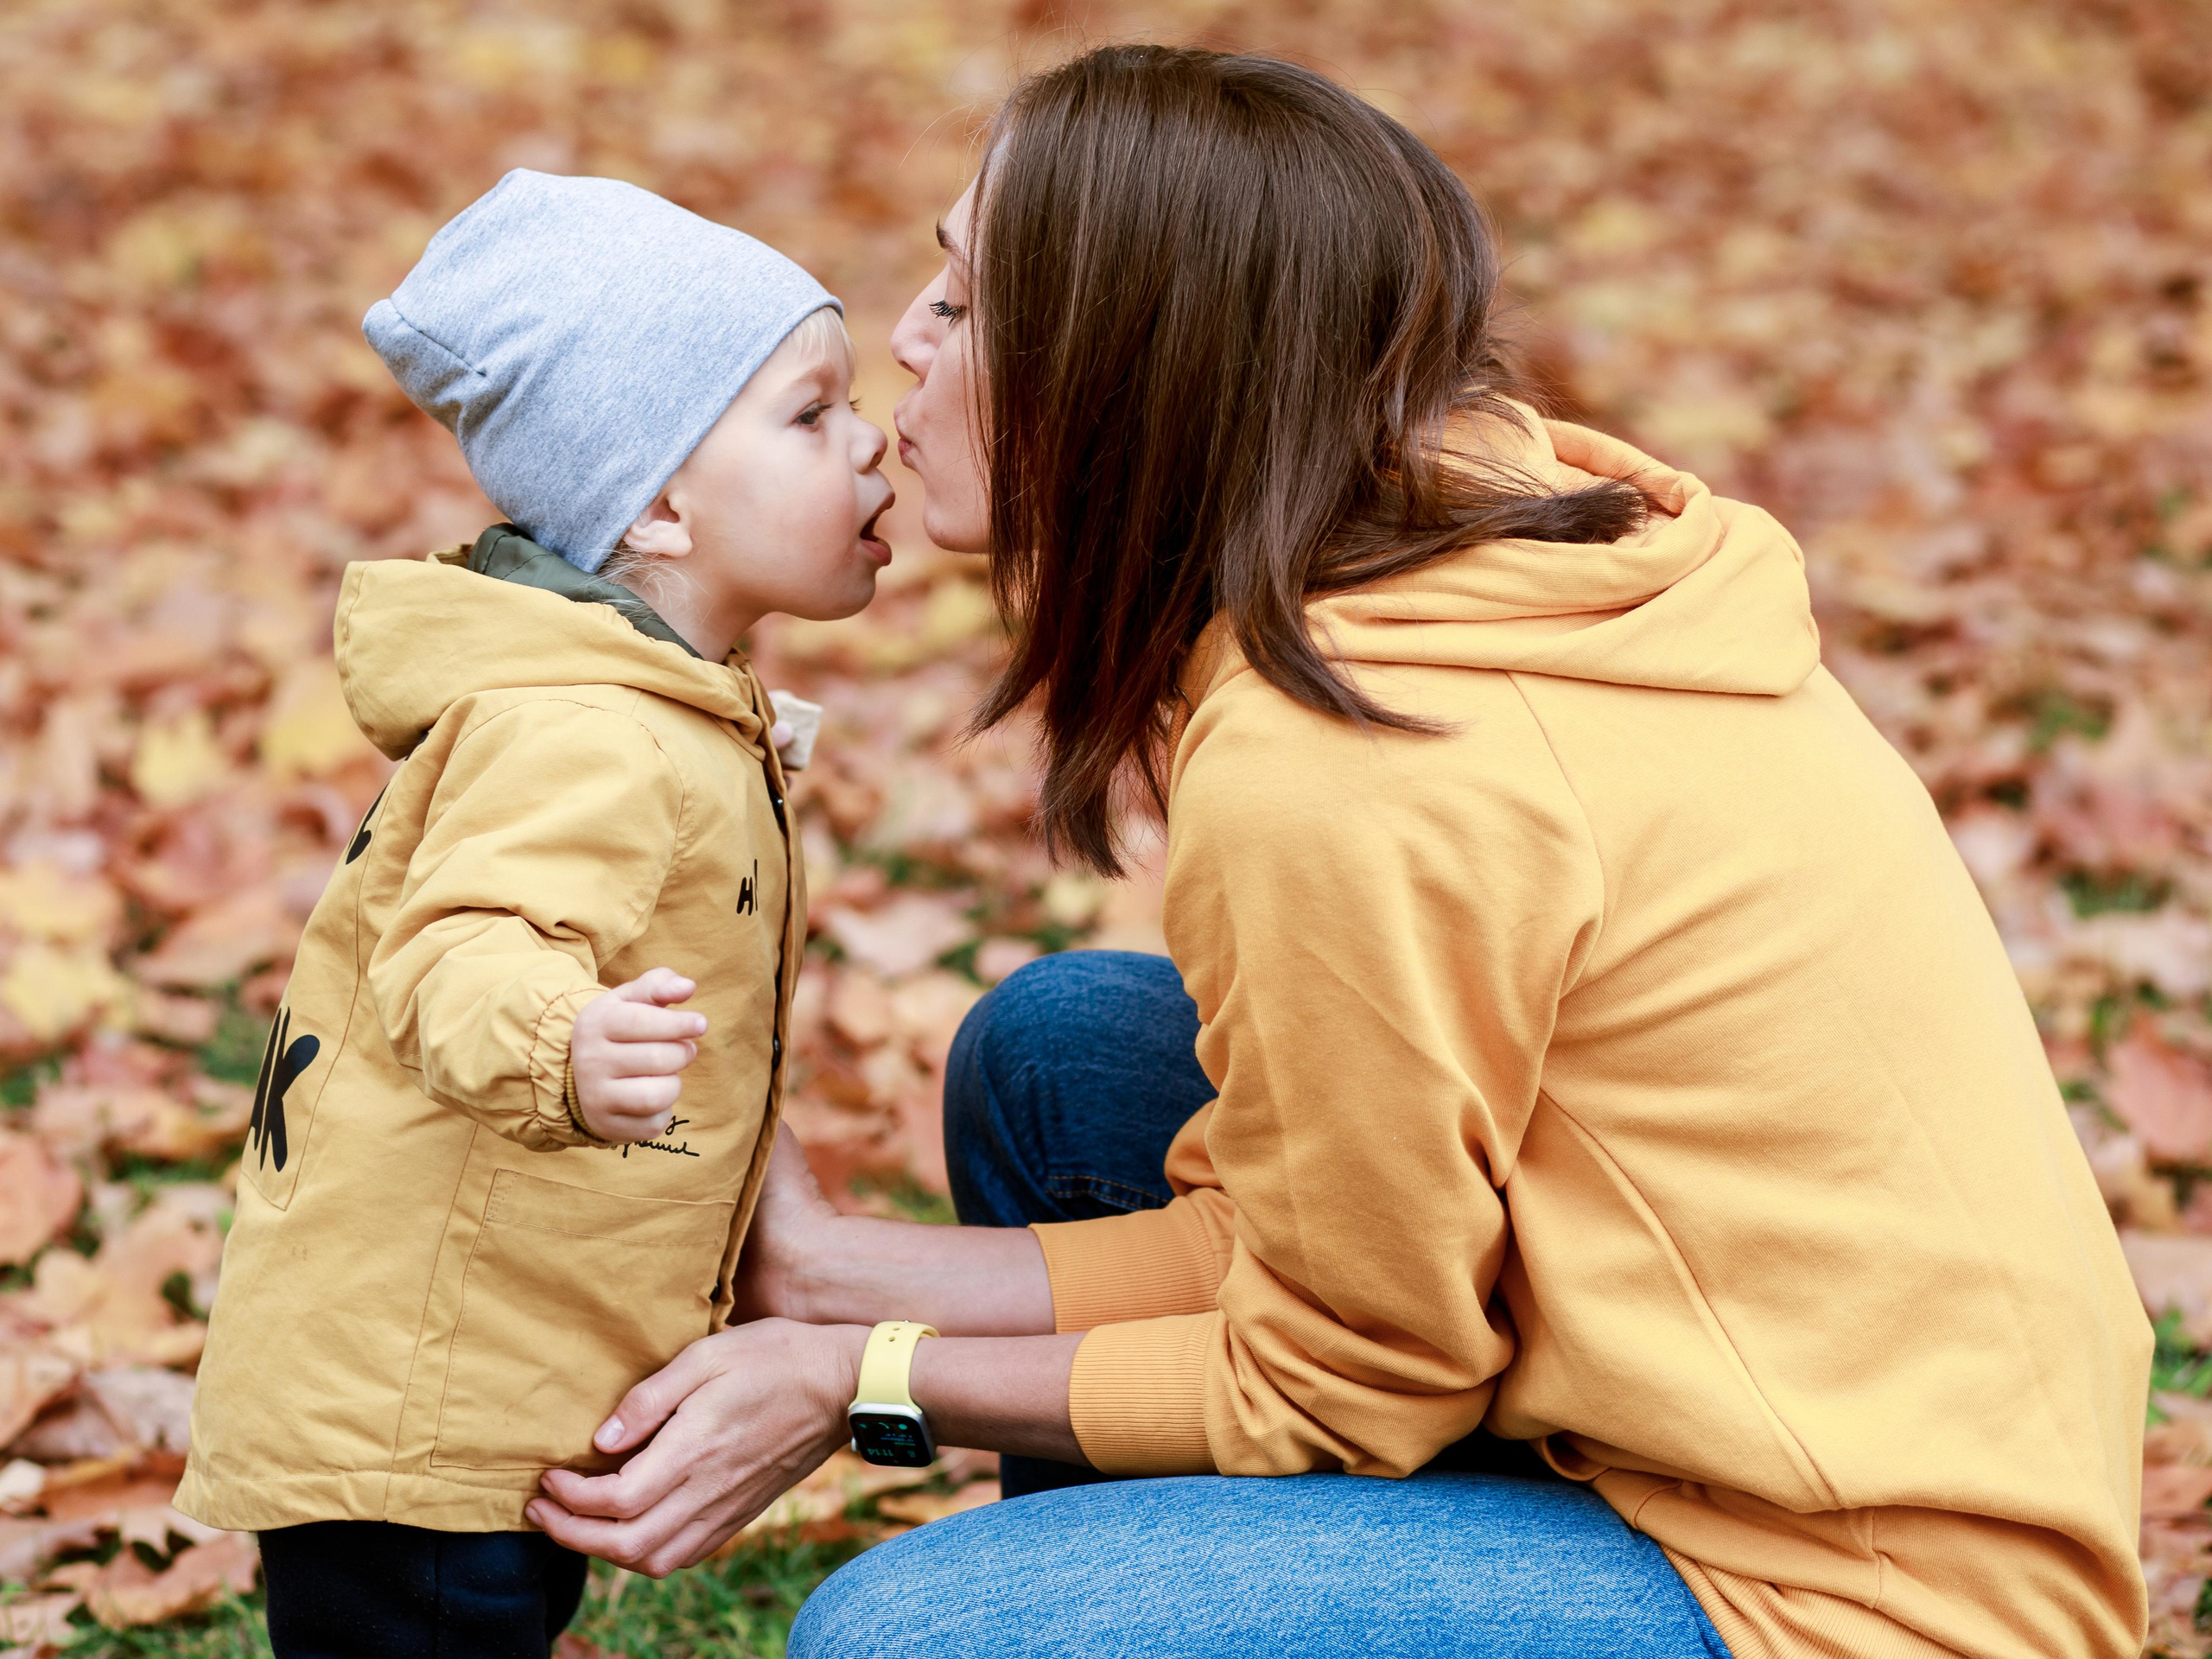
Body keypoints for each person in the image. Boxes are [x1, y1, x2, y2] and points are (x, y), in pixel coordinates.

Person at [525, 48, 2151, 1659]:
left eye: (959, 304)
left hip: (1855, 1591)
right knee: (1069, 1056)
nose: (905, 339)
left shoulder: (1351, 761)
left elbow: (1342, 1373)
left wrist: (870, 1376)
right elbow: (1311, 1241)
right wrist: (836, 1273)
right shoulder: (1447, 547)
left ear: (1118, 376)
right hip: (1737, 1410)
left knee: (914, 1641)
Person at [175, 169, 894, 1658]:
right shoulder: (588, 730)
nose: (870, 435)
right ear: (660, 507)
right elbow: (460, 949)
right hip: (415, 1407)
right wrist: (563, 1039)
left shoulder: (653, 708)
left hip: (478, 1381)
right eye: (810, 414)